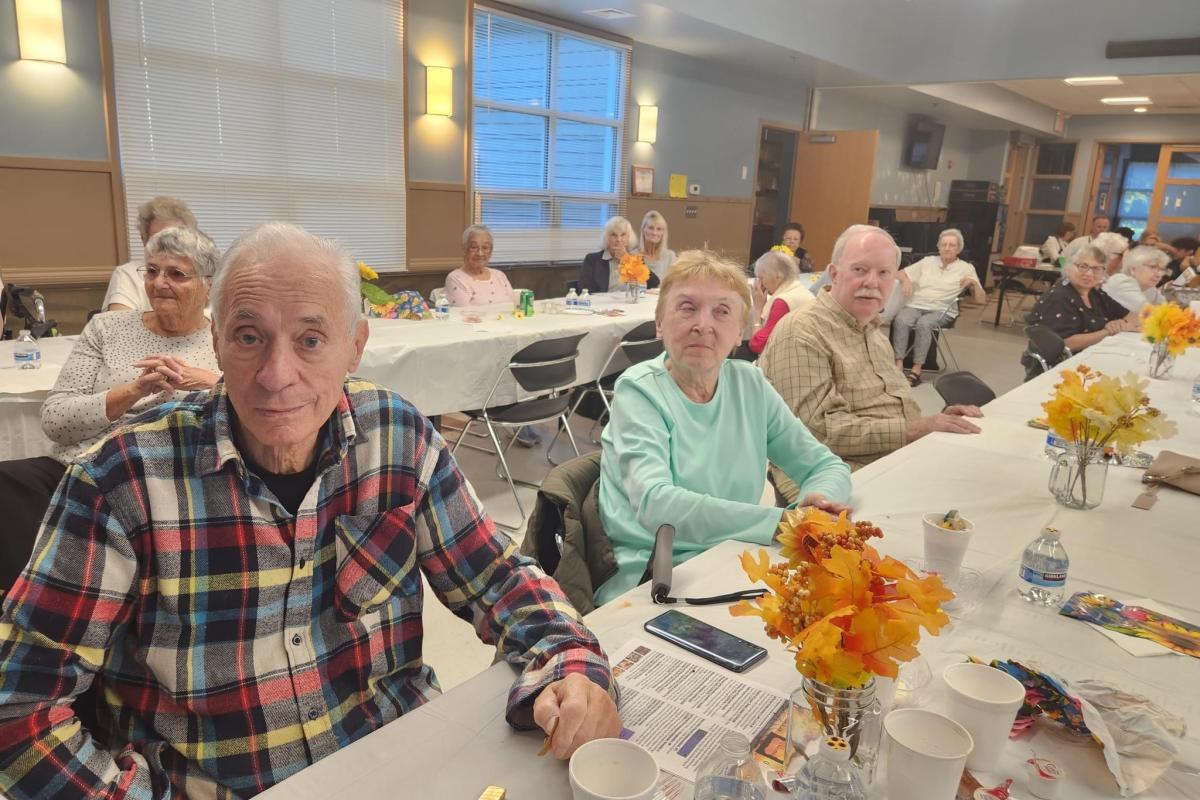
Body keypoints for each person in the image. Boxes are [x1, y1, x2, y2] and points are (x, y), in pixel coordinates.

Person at [0, 222, 621, 799]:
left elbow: (497, 578)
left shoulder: (397, 437)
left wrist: (571, 659)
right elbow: (18, 711)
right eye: (249, 337)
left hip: (398, 764)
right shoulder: (122, 479)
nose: (277, 375)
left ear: (355, 347)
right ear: (215, 340)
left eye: (311, 339)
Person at [594, 249, 851, 605]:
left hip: (735, 560)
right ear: (659, 322)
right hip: (657, 578)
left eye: (722, 312)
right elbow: (657, 506)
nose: (703, 324)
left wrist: (820, 503)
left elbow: (825, 465)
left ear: (739, 333)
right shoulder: (639, 390)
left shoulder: (750, 384)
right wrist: (782, 523)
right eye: (687, 308)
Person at [0, 227, 221, 594]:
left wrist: (207, 381)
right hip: (77, 469)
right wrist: (132, 391)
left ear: (209, 285)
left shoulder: (223, 340)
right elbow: (55, 419)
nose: (159, 283)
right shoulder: (107, 328)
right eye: (152, 271)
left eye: (176, 274)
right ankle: (28, 605)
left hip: (163, 483)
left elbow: (248, 410)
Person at [758, 224, 984, 489]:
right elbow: (820, 431)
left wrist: (940, 420)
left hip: (893, 460)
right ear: (834, 274)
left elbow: (888, 410)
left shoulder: (874, 335)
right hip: (832, 478)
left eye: (884, 273)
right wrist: (916, 428)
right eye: (859, 270)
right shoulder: (801, 332)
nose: (872, 282)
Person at [889, 228, 986, 386]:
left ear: (959, 249)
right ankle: (898, 365)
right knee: (901, 320)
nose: (947, 248)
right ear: (938, 246)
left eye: (952, 245)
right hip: (916, 305)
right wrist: (906, 280)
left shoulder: (966, 268)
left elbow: (981, 300)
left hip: (942, 310)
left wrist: (974, 284)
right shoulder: (927, 262)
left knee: (924, 324)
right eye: (944, 244)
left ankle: (916, 370)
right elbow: (898, 274)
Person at [1025, 244, 1139, 354]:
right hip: (1064, 364)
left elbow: (1133, 318)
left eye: (1096, 268)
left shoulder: (1095, 293)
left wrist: (1122, 323)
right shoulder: (1058, 297)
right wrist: (1107, 331)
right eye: (1083, 266)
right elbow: (1066, 344)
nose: (1089, 274)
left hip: (1094, 354)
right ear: (1068, 268)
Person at [102, 195, 198, 311]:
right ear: (144, 240)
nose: (168, 245)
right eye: (159, 239)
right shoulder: (128, 274)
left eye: (175, 237)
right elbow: (119, 324)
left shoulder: (202, 273)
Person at [749, 249, 815, 356]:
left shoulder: (783, 302)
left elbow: (758, 346)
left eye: (761, 277)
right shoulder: (798, 288)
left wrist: (758, 311)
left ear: (778, 277)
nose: (760, 283)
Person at [579, 216, 660, 293]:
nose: (618, 239)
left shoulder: (634, 259)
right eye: (614, 235)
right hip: (602, 305)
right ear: (607, 237)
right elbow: (584, 290)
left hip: (628, 304)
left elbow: (654, 283)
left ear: (629, 238)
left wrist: (627, 259)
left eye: (623, 235)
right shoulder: (592, 260)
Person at [443, 224, 515, 306]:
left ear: (491, 251)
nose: (480, 253)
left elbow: (513, 307)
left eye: (485, 247)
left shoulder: (499, 275)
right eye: (474, 247)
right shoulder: (455, 278)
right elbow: (464, 314)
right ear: (464, 249)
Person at [1102, 245, 1169, 312]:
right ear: (1133, 269)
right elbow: (1146, 312)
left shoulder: (1150, 289)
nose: (1159, 274)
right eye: (1152, 267)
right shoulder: (1121, 281)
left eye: (1162, 269)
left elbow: (1166, 310)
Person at [637, 210, 677, 281]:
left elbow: (674, 283)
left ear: (663, 233)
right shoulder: (633, 255)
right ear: (643, 230)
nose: (654, 233)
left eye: (659, 229)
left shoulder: (670, 256)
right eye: (651, 228)